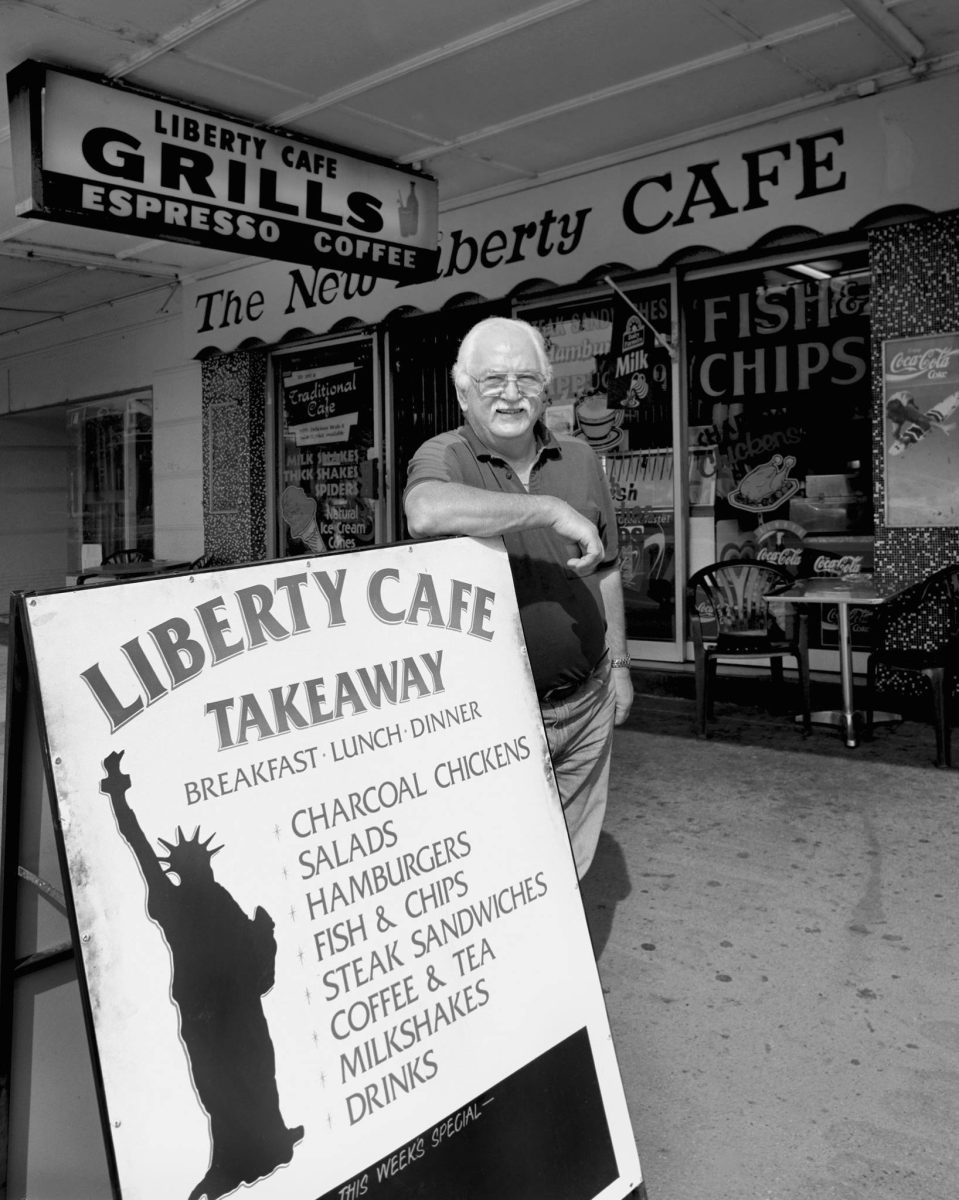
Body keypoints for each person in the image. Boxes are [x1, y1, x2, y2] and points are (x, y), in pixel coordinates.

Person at [403, 316, 633, 878]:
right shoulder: (447, 455)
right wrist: (551, 510)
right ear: (463, 392)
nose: (512, 394)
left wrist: (621, 666)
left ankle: (561, 963)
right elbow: (425, 511)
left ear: (546, 387)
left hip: (587, 701)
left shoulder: (579, 458)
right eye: (494, 380)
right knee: (500, 868)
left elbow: (605, 570)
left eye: (527, 379)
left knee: (571, 863)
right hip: (495, 718)